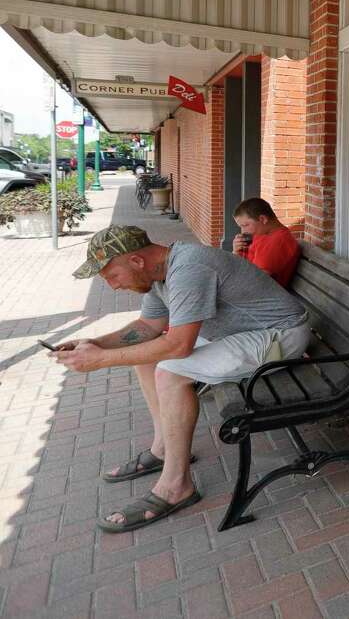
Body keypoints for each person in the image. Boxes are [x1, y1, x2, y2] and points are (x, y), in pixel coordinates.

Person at [53, 225, 310, 533]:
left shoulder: (189, 268)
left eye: (112, 275)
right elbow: (148, 327)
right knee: (146, 358)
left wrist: (100, 360)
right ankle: (163, 449)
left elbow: (178, 346)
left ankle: (176, 487)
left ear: (136, 260)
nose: (112, 286)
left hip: (281, 336)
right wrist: (94, 344)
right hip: (242, 334)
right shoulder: (161, 275)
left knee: (171, 372)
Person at [231, 197, 301, 287]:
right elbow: (238, 265)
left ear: (263, 219)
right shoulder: (261, 234)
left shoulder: (278, 241)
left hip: (258, 295)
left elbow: (258, 283)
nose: (243, 231)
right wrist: (236, 251)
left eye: (245, 225)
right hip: (242, 284)